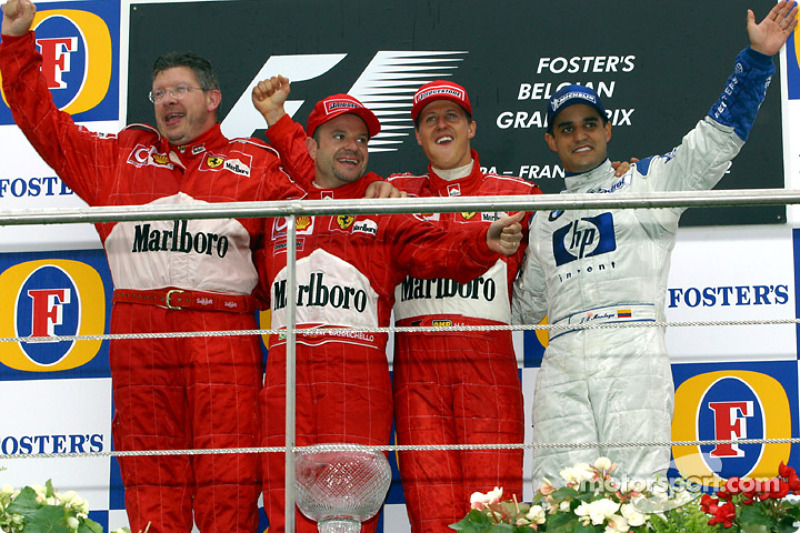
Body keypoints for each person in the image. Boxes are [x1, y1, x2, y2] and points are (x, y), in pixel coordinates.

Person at [0, 1, 308, 531]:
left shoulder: (255, 164)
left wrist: (280, 126)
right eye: (159, 92)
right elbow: (43, 125)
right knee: (148, 468)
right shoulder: (118, 158)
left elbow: (309, 207)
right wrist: (17, 44)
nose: (167, 100)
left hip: (221, 329)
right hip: (140, 329)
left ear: (212, 99)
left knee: (229, 469)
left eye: (180, 89)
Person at [513, 1, 797, 486]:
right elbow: (522, 309)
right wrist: (498, 251)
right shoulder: (542, 219)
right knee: (559, 496)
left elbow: (715, 142)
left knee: (634, 492)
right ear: (550, 141)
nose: (579, 135)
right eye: (566, 128)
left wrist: (757, 60)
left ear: (607, 129)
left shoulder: (647, 182)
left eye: (588, 124)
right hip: (561, 358)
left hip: (631, 349)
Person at [249, 90, 525, 533]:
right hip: (286, 374)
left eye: (361, 140)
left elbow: (437, 249)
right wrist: (278, 118)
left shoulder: (383, 205)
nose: (352, 147)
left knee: (351, 508)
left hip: (356, 371)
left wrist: (480, 243)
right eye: (339, 136)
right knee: (284, 504)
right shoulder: (283, 202)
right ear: (311, 146)